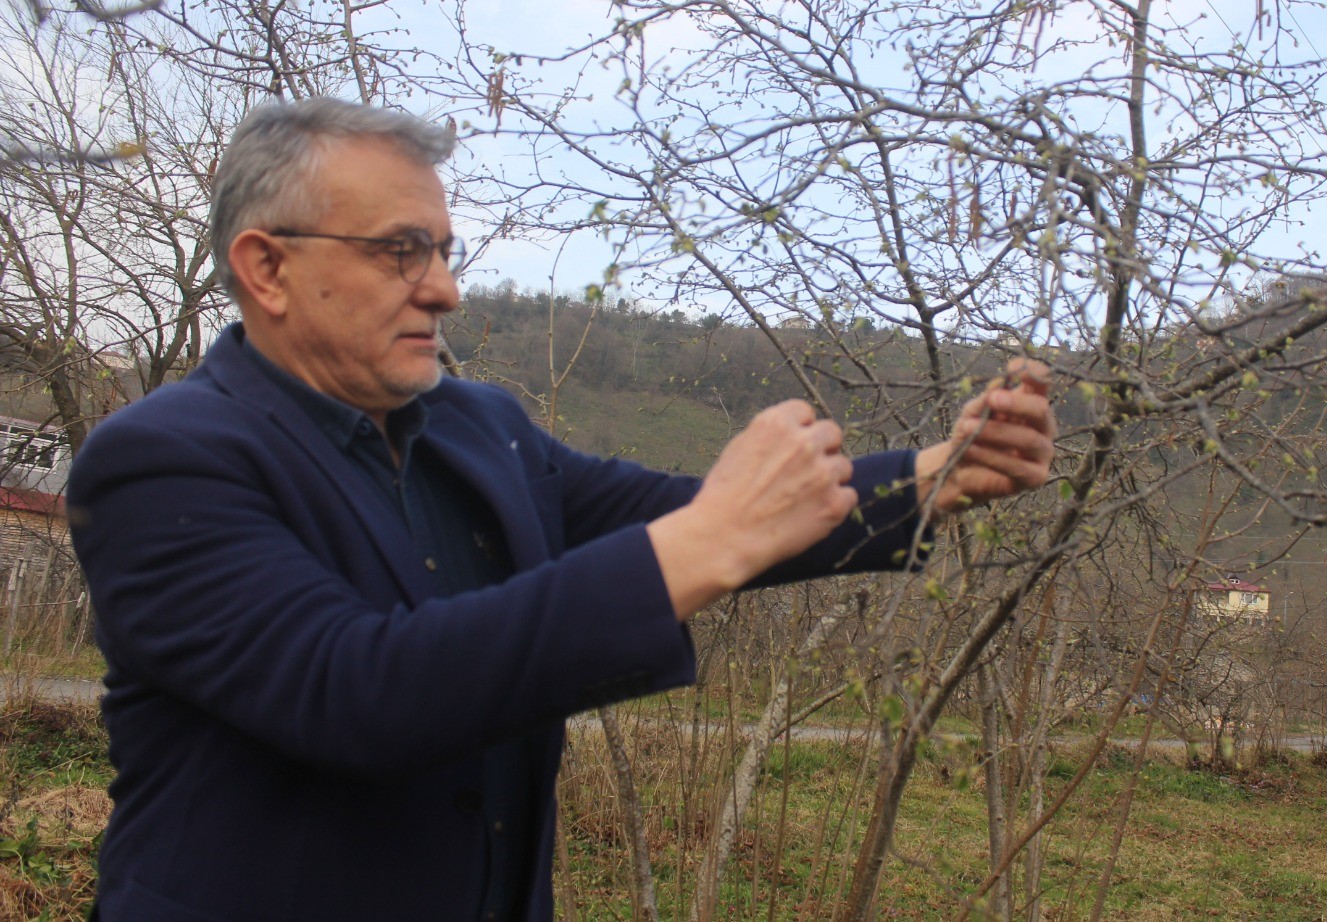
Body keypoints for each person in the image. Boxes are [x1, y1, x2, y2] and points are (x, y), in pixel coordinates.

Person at [67, 98, 1056, 922]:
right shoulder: (164, 461)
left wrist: (930, 480)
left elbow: (687, 514)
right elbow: (355, 689)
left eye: (445, 250)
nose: (447, 290)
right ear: (267, 267)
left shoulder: (477, 425)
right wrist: (700, 543)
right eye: (401, 252)